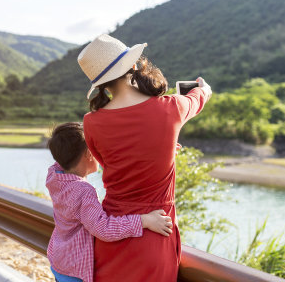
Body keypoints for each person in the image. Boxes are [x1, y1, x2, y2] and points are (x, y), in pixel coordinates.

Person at [78, 34, 212, 282]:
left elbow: (111, 163)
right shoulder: (170, 108)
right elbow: (198, 98)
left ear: (100, 84)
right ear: (132, 65)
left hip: (112, 234)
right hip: (156, 233)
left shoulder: (91, 123)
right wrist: (204, 89)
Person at [46, 122, 174, 282]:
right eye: (98, 148)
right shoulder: (83, 191)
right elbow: (102, 228)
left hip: (59, 260)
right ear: (89, 153)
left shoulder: (54, 175)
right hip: (75, 272)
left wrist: (161, 152)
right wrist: (144, 220)